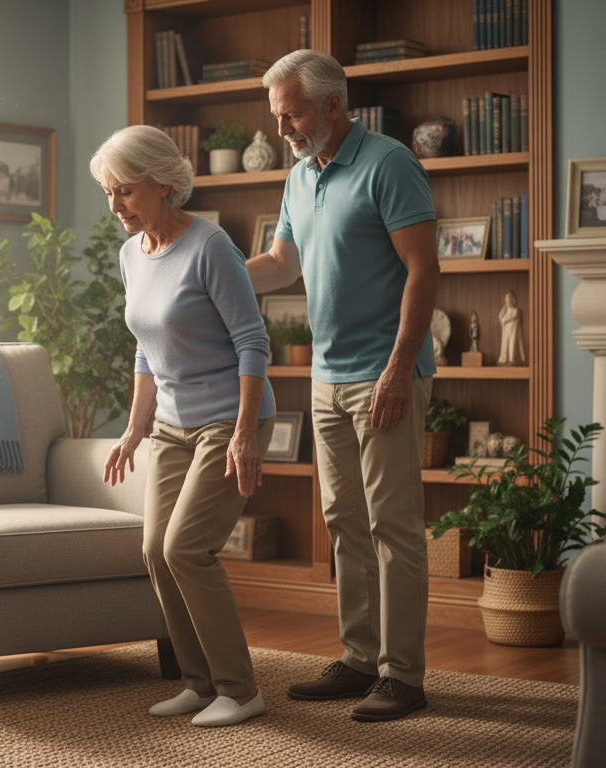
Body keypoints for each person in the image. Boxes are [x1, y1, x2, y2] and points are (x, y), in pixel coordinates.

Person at [244, 49, 439, 722]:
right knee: (345, 524)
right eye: (277, 117)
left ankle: (403, 675)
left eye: (292, 115)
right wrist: (205, 273)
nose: (282, 130)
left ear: (333, 104)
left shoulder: (389, 164)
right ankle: (360, 659)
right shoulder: (299, 176)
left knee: (393, 525)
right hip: (325, 377)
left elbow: (423, 271)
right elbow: (281, 264)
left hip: (385, 375)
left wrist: (398, 368)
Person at [91, 124, 276, 728]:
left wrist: (245, 433)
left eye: (125, 191)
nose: (115, 206)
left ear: (163, 183)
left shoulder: (211, 247)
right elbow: (145, 349)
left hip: (227, 417)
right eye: (109, 193)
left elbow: (252, 342)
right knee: (154, 549)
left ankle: (240, 690)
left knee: (186, 548)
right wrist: (133, 430)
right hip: (170, 424)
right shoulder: (131, 254)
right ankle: (199, 684)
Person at [498, 291, 526, 365]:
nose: (507, 302)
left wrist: (504, 320)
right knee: (505, 344)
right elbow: (500, 316)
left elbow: (511, 317)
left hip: (513, 329)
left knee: (512, 343)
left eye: (509, 300)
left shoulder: (516, 310)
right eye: (506, 300)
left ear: (512, 300)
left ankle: (512, 359)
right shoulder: (506, 310)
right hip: (506, 330)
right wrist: (504, 308)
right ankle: (504, 359)